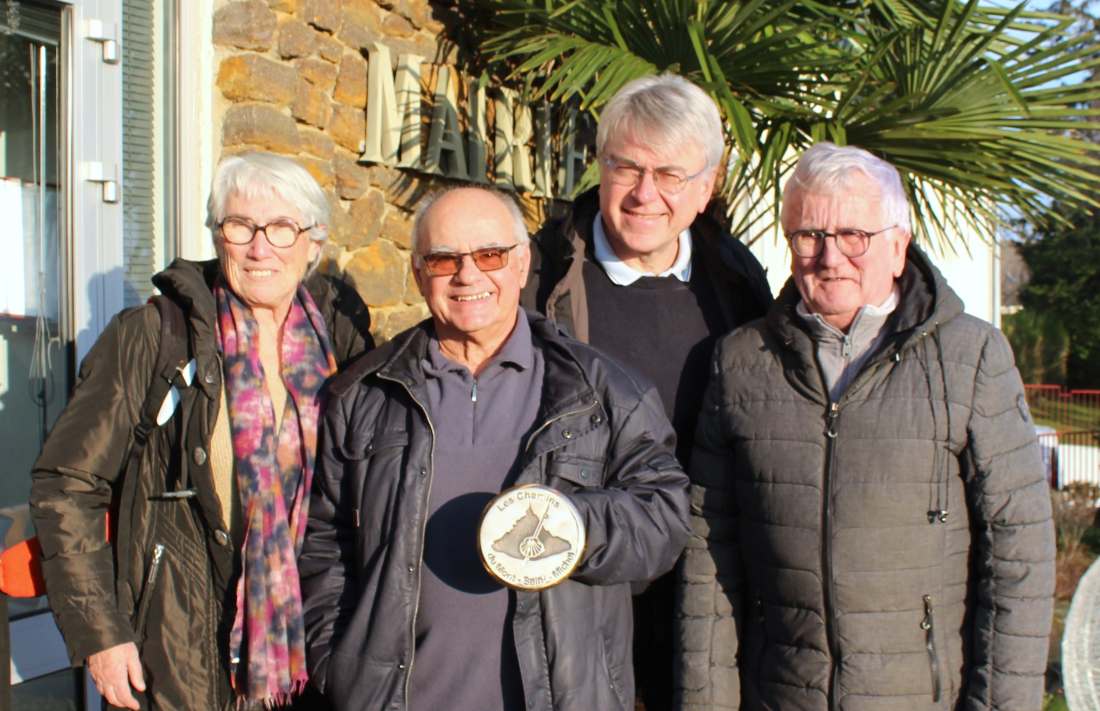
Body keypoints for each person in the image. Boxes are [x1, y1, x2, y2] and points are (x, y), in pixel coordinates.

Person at [675, 142, 1055, 711]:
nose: (830, 257)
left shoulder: (972, 357)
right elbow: (709, 553)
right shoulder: (741, 361)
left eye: (854, 234)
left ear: (898, 247)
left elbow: (1018, 553)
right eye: (809, 235)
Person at [299, 185, 692, 711]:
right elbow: (323, 541)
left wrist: (568, 527)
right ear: (417, 273)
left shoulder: (603, 391)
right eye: (444, 259)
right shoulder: (363, 395)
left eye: (490, 255)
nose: (468, 275)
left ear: (522, 262)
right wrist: (340, 666)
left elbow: (665, 516)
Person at [30, 152, 373, 710]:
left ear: (314, 243)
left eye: (282, 227)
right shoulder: (152, 336)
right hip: (176, 652)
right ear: (217, 235)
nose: (260, 247)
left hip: (313, 646)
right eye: (240, 226)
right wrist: (101, 635)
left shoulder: (345, 344)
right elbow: (68, 484)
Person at [523, 73, 773, 710]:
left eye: (669, 175)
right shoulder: (540, 278)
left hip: (703, 594)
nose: (644, 194)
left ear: (706, 187)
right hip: (578, 591)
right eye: (627, 167)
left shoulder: (736, 280)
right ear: (599, 164)